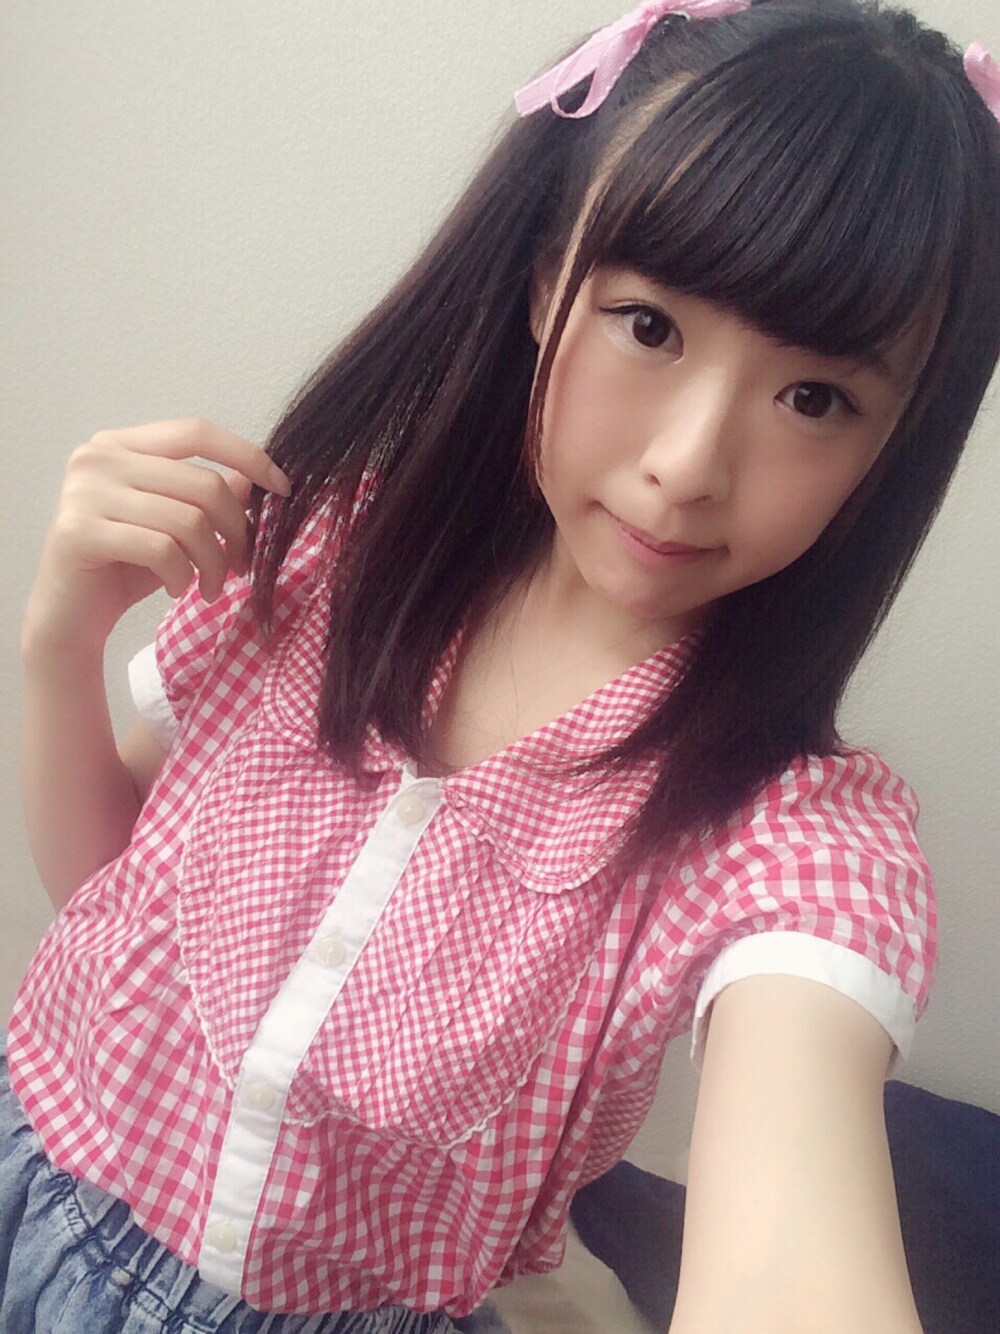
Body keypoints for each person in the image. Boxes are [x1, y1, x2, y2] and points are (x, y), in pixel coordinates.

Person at [4, 0, 999, 1331]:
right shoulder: (325, 558)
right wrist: (59, 643)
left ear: (894, 442)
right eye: (649, 325)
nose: (688, 464)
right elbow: (106, 892)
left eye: (814, 398)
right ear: (545, 282)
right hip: (30, 1176)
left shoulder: (792, 837)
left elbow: (792, 1260)